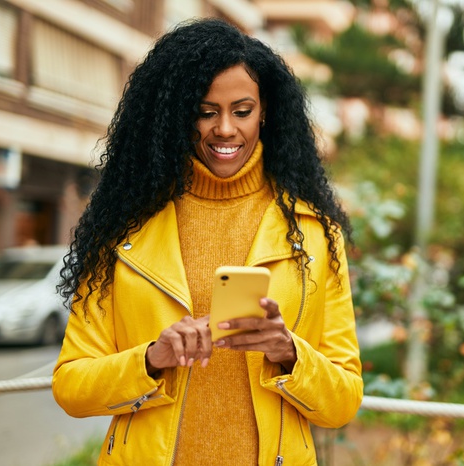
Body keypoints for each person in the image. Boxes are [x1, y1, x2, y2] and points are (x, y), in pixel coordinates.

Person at [52, 18, 363, 466]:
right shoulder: (124, 227)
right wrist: (152, 358)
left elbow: (344, 401)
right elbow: (71, 387)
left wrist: (289, 352)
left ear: (265, 113)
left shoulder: (314, 232)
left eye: (242, 111)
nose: (224, 129)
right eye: (205, 111)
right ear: (179, 114)